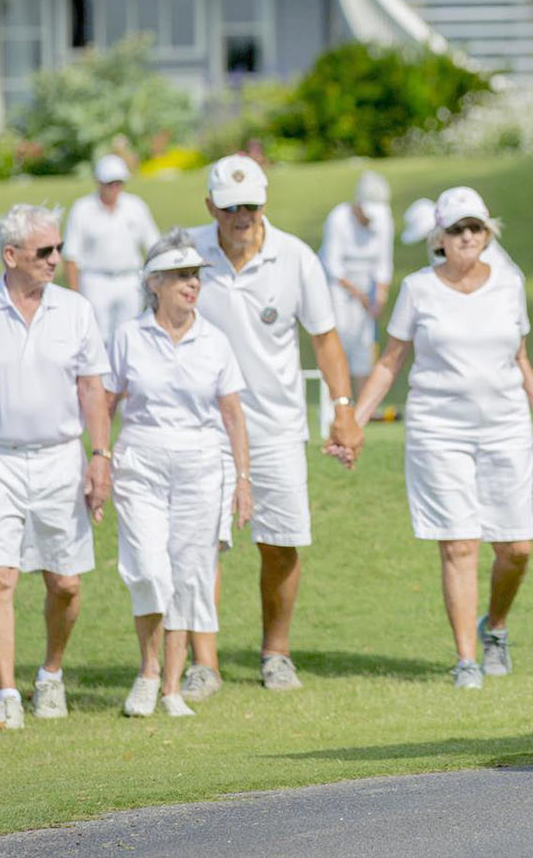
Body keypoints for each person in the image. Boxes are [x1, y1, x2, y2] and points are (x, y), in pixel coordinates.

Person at [349, 187, 533, 690]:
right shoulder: (418, 288)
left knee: (517, 548)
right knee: (461, 544)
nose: (467, 237)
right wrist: (354, 421)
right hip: (438, 428)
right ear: (439, 239)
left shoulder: (511, 284)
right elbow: (389, 363)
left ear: (488, 234)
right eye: (457, 229)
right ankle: (467, 660)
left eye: (476, 228)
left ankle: (495, 628)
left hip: (505, 424)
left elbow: (520, 358)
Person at [184, 155, 360, 697]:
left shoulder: (296, 258)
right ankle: (203, 663)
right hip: (200, 426)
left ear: (265, 203)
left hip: (277, 424)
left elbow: (324, 337)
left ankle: (276, 653)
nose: (242, 215)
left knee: (281, 545)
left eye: (251, 205)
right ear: (210, 204)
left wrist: (343, 408)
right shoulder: (184, 253)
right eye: (231, 206)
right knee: (199, 545)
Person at [0, 204, 112, 730]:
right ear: (11, 255)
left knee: (66, 585)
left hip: (62, 458)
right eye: (44, 251)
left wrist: (101, 457)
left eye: (58, 248)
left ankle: (51, 674)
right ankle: (8, 694)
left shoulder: (76, 310)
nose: (56, 259)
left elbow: (92, 389)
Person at [106, 232, 252, 718]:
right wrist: (99, 458)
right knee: (148, 569)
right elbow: (106, 402)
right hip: (141, 461)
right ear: (155, 283)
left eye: (196, 276)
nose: (192, 284)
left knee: (189, 576)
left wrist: (244, 480)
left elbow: (233, 415)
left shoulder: (214, 340)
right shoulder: (128, 336)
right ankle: (147, 672)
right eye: (181, 276)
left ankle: (170, 687)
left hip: (201, 465)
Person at [318, 171, 394, 433]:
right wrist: (361, 296)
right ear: (358, 202)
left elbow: (383, 262)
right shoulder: (339, 219)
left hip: (367, 290)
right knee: (339, 340)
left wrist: (380, 295)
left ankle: (362, 411)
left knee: (364, 346)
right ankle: (335, 406)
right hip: (338, 288)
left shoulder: (383, 219)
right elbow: (332, 265)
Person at [65, 154, 160, 342]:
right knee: (98, 338)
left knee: (130, 336)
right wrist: (75, 297)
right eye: (109, 183)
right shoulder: (82, 209)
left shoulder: (136, 206)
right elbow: (71, 255)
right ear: (98, 182)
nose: (114, 188)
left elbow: (153, 245)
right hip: (95, 280)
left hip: (130, 279)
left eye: (118, 183)